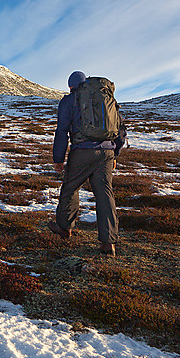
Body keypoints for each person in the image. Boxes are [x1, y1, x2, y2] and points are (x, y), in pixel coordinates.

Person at [48, 71, 126, 256]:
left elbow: (62, 131)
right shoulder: (106, 100)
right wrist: (114, 154)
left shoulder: (69, 101)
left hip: (82, 151)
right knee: (105, 194)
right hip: (106, 153)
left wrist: (58, 159)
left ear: (71, 86)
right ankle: (108, 243)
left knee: (70, 188)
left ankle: (65, 228)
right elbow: (120, 130)